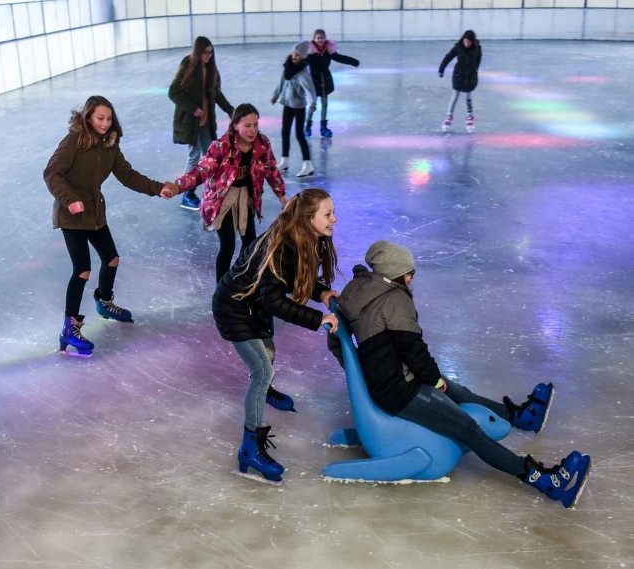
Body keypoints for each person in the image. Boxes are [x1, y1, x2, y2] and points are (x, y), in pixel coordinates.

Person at [328, 241, 591, 508]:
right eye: (410, 273)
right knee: (469, 429)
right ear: (398, 273)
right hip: (400, 391)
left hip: (392, 380)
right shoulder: (395, 299)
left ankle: (518, 416)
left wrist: (363, 373)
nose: (411, 278)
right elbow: (413, 350)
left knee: (457, 391)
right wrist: (433, 380)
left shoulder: (362, 291)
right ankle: (544, 480)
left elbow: (341, 343)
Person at [212, 188, 340, 483]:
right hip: (234, 308)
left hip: (252, 305)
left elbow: (292, 277)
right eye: (328, 214)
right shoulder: (283, 244)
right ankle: (250, 449)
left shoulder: (301, 237)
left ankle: (265, 391)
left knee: (267, 355)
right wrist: (318, 318)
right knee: (262, 370)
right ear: (309, 218)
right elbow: (274, 301)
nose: (334, 218)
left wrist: (320, 291)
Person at [43, 95, 177, 356]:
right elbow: (51, 172)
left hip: (94, 213)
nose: (105, 123)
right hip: (72, 215)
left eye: (109, 118)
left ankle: (104, 302)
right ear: (88, 118)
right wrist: (70, 200)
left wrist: (157, 188)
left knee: (112, 259)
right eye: (100, 118)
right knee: (82, 270)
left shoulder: (110, 145)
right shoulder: (74, 141)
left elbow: (127, 175)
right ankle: (69, 328)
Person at [175, 103, 287, 282]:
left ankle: (241, 281)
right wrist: (177, 186)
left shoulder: (262, 144)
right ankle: (221, 288)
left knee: (250, 243)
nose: (253, 130)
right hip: (222, 199)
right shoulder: (222, 146)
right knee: (227, 245)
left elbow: (271, 170)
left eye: (255, 125)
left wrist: (282, 196)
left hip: (247, 198)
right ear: (235, 125)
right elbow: (201, 171)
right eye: (247, 125)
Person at [168, 36, 235, 211]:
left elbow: (216, 93)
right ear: (198, 52)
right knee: (195, 155)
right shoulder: (188, 65)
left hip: (206, 122)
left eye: (211, 52)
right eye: (205, 52)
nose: (208, 56)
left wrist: (230, 110)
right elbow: (173, 92)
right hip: (191, 122)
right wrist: (192, 108)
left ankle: (213, 190)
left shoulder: (211, 69)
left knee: (211, 156)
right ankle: (187, 194)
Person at [271, 41, 317, 178]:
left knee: (299, 134)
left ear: (303, 56)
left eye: (297, 54)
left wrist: (313, 103)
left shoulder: (303, 73)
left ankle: (308, 164)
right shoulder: (288, 67)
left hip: (298, 106)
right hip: (287, 104)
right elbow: (281, 82)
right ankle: (284, 161)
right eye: (293, 53)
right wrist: (275, 95)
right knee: (285, 132)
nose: (294, 56)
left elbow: (311, 90)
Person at [305, 29, 360, 139]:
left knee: (325, 104)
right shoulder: (309, 52)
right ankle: (307, 127)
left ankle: (323, 127)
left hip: (325, 79)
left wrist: (354, 62)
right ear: (314, 39)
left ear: (325, 38)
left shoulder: (328, 50)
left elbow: (340, 58)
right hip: (313, 81)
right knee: (313, 104)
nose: (320, 40)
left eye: (322, 38)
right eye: (318, 38)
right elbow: (300, 63)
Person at [438, 30, 482, 133]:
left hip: (470, 76)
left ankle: (469, 116)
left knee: (468, 96)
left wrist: (474, 71)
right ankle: (449, 116)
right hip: (458, 75)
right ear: (463, 40)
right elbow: (448, 57)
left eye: (469, 42)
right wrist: (441, 69)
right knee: (455, 95)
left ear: (473, 42)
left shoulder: (477, 49)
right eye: (465, 41)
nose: (466, 44)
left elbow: (478, 60)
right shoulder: (459, 47)